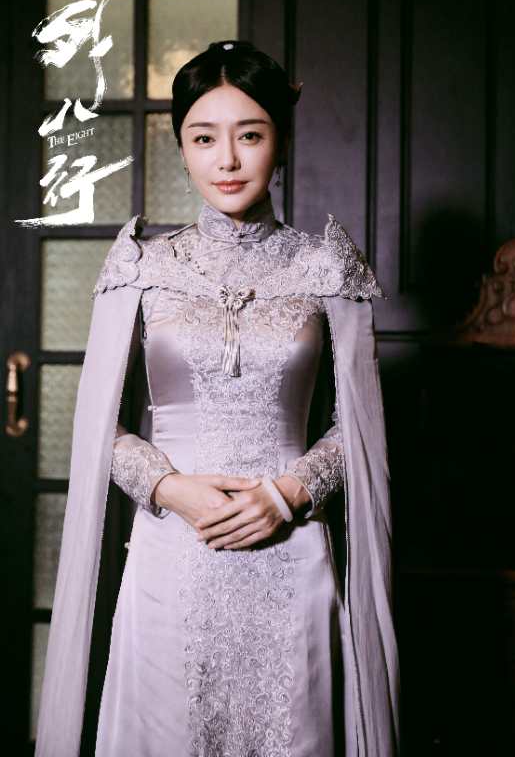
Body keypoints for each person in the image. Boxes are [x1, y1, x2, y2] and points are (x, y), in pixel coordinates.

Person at [35, 40, 400, 757]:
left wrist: (287, 494)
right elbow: (97, 427)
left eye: (250, 135)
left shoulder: (327, 265)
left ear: (281, 141)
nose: (227, 160)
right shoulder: (141, 266)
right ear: (181, 147)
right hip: (172, 551)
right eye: (204, 138)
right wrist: (170, 489)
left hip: (291, 553)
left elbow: (358, 427)